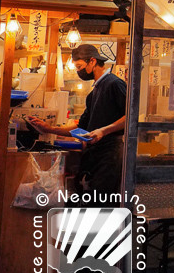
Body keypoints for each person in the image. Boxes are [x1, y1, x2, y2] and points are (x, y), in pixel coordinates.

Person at [29, 43, 127, 199]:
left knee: (103, 202)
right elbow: (80, 126)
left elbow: (130, 116)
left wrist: (104, 130)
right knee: (89, 197)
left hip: (111, 154)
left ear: (93, 61)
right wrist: (49, 128)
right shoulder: (93, 93)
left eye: (80, 66)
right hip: (95, 153)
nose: (78, 71)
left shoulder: (114, 84)